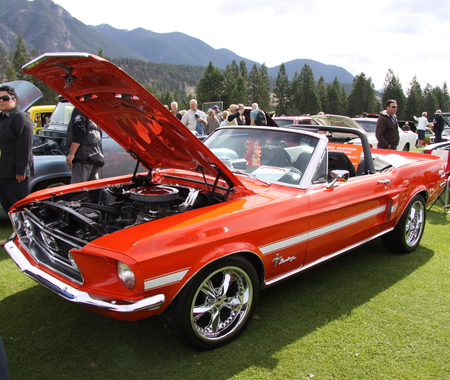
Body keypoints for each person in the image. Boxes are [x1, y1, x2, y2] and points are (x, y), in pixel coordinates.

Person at [0, 85, 34, 246]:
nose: (1, 101)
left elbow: (25, 145)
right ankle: (16, 235)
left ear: (14, 99)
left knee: (19, 205)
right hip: (4, 170)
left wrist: (21, 170)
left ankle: (27, 238)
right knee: (8, 206)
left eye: (5, 98)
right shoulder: (4, 118)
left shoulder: (20, 117)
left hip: (16, 172)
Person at [66, 107, 104, 183]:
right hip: (95, 155)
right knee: (93, 189)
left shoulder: (79, 110)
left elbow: (79, 132)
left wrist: (71, 153)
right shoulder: (92, 110)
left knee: (77, 190)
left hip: (83, 157)